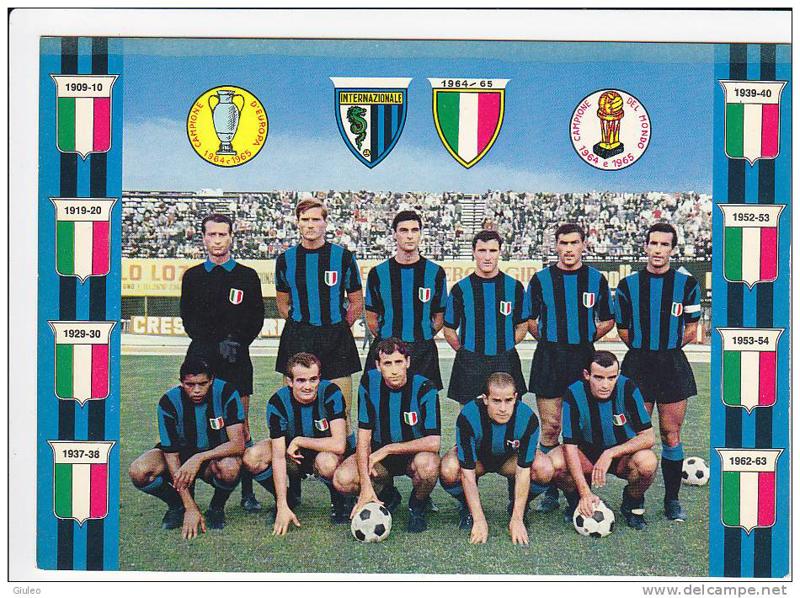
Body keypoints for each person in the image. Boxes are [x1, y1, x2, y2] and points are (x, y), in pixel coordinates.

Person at [614, 222, 702, 521]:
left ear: (672, 249)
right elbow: (623, 329)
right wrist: (646, 349)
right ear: (645, 246)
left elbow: (691, 328)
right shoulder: (628, 285)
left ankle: (671, 500)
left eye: (665, 245)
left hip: (672, 365)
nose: (658, 250)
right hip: (638, 364)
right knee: (637, 435)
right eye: (654, 243)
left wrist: (666, 348)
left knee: (671, 433)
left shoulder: (687, 285)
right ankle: (633, 499)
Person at [525, 223, 615, 514]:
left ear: (583, 245)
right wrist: (551, 339)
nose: (568, 249)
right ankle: (551, 489)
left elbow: (608, 319)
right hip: (549, 357)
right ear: (556, 246)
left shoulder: (595, 279)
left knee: (578, 428)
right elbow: (530, 320)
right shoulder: (541, 279)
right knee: (551, 428)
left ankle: (577, 489)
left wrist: (584, 338)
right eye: (563, 243)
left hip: (582, 358)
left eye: (574, 243)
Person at [179, 213, 265, 514]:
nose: (217, 240)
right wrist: (214, 344)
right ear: (203, 238)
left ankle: (247, 493)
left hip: (236, 359)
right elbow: (188, 320)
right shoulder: (193, 276)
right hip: (202, 358)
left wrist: (237, 341)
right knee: (195, 423)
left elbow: (256, 317)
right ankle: (186, 498)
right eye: (212, 235)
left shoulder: (247, 275)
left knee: (241, 426)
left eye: (222, 234)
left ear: (231, 237)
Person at [128, 358, 246, 538]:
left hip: (212, 458)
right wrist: (190, 507)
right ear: (181, 382)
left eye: (202, 384)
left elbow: (238, 444)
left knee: (230, 468)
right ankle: (178, 506)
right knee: (139, 471)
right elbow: (171, 455)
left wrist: (198, 458)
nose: (196, 390)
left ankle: (216, 507)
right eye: (190, 385)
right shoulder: (168, 402)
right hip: (179, 458)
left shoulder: (226, 393)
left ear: (211, 380)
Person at [333, 338, 441, 533]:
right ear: (378, 365)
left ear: (407, 362)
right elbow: (363, 439)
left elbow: (434, 442)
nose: (394, 370)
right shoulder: (369, 383)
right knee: (343, 479)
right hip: (379, 460)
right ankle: (388, 495)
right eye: (387, 363)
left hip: (412, 456)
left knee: (429, 466)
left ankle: (417, 505)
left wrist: (389, 449)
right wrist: (366, 486)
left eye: (399, 362)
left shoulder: (425, 387)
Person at [274, 199, 363, 437]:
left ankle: (344, 454)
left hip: (335, 337)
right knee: (293, 408)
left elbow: (356, 302)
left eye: (316, 219)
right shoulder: (285, 260)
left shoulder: (343, 258)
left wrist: (338, 327)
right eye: (305, 219)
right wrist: (300, 327)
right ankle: (296, 455)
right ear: (297, 223)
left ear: (325, 223)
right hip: (298, 338)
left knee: (341, 410)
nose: (310, 224)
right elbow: (282, 303)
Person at [242, 352, 351, 535]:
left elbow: (339, 444)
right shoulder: (278, 402)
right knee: (252, 457)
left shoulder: (331, 392)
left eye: (313, 379)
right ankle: (288, 498)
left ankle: (339, 501)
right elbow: (278, 456)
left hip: (325, 452)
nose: (308, 386)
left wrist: (299, 440)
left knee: (327, 462)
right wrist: (281, 504)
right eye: (301, 380)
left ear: (319, 378)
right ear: (289, 381)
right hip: (291, 455)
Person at [439, 373, 554, 545]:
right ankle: (467, 507)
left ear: (516, 397)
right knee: (449, 468)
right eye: (496, 401)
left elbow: (523, 471)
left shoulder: (527, 418)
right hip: (478, 461)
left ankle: (518, 506)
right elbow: (467, 473)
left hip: (509, 461)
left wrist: (517, 519)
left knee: (544, 468)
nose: (503, 408)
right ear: (485, 399)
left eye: (508, 400)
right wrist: (479, 520)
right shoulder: (468, 416)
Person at [547, 351, 657, 530]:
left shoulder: (628, 388)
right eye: (598, 378)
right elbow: (570, 447)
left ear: (617, 375)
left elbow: (648, 436)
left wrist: (610, 453)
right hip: (587, 455)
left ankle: (632, 501)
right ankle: (577, 502)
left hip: (621, 455)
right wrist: (585, 492)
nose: (605, 385)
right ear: (587, 375)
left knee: (647, 462)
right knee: (556, 463)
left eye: (611, 378)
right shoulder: (574, 393)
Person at [364, 210, 448, 388]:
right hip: (386, 349)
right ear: (394, 234)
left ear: (420, 233)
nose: (410, 236)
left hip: (423, 351)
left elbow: (439, 316)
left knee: (425, 400)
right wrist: (389, 342)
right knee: (381, 400)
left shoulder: (435, 272)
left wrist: (421, 336)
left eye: (414, 230)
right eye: (403, 230)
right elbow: (371, 318)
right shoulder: (378, 273)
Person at [443, 230, 528, 406]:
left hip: (505, 361)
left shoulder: (514, 287)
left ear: (500, 252)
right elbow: (449, 328)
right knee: (470, 417)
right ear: (473, 252)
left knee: (507, 416)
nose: (487, 257)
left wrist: (505, 345)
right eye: (482, 250)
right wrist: (464, 351)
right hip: (470, 362)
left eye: (493, 250)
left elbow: (522, 325)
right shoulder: (461, 288)